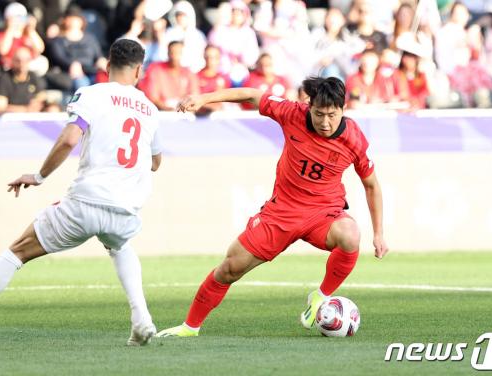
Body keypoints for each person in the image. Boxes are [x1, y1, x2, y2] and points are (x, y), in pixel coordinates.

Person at [0, 39, 162, 346]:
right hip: (126, 208)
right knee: (120, 244)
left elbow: (68, 140)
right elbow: (155, 162)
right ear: (139, 70)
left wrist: (39, 176)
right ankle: (141, 319)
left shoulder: (91, 94)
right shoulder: (150, 109)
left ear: (107, 65)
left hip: (87, 201)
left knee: (18, 250)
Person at [156, 77, 388, 338]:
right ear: (307, 105)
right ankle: (190, 327)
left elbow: (372, 186)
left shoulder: (354, 139)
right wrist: (204, 98)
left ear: (343, 109)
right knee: (230, 268)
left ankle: (320, 296)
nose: (325, 122)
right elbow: (251, 95)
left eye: (332, 115)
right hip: (281, 213)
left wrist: (378, 233)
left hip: (324, 213)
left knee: (350, 235)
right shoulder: (292, 113)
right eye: (319, 114)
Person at [140, 40, 200, 111]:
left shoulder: (189, 73)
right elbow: (152, 96)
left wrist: (183, 109)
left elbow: (194, 96)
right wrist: (167, 109)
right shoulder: (156, 69)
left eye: (178, 53)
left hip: (184, 113)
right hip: (161, 112)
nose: (175, 56)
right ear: (168, 53)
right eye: (172, 52)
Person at [0, 47, 47, 115]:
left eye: (26, 60)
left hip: (32, 121)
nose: (22, 63)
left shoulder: (33, 76)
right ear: (12, 61)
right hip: (10, 122)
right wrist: (26, 109)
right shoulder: (4, 78)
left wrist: (37, 103)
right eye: (18, 60)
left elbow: (41, 97)